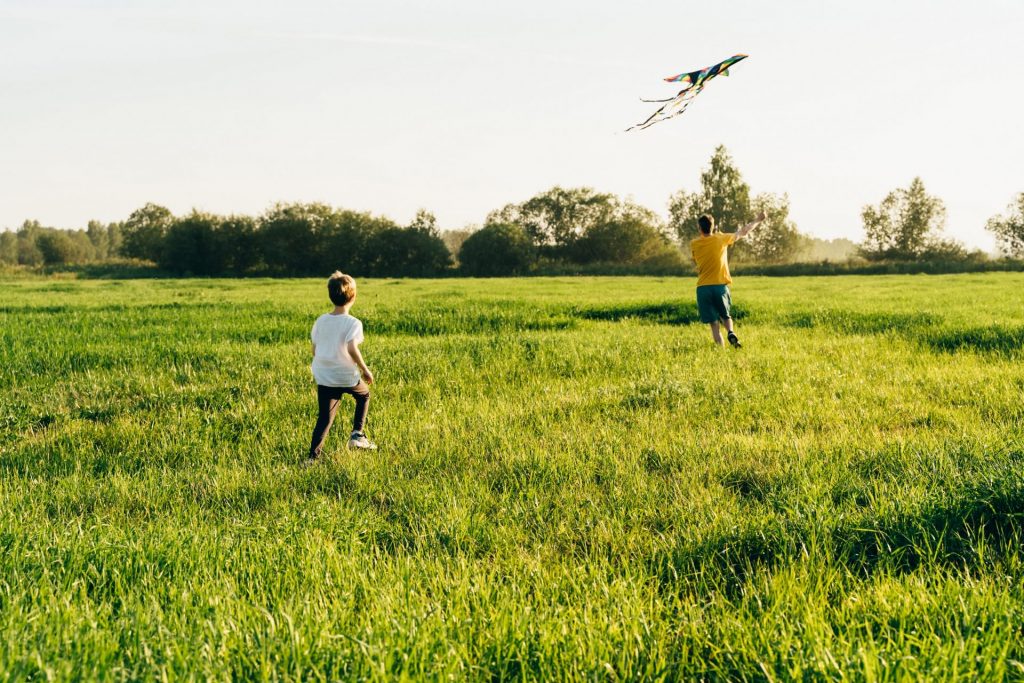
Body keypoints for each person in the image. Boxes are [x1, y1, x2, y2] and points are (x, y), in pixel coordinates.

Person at [307, 271, 376, 463]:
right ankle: (357, 435)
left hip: (324, 375)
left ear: (330, 295)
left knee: (325, 418)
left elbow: (314, 349)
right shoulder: (353, 322)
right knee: (364, 395)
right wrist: (365, 369)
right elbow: (351, 347)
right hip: (346, 375)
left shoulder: (321, 321)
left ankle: (312, 457)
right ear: (353, 297)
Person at [690, 211, 766, 348]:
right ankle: (730, 332)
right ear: (712, 227)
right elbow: (744, 231)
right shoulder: (721, 239)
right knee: (726, 316)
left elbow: (696, 262)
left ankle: (721, 349)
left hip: (703, 288)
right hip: (720, 286)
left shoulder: (694, 244)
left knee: (714, 324)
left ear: (699, 228)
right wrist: (757, 220)